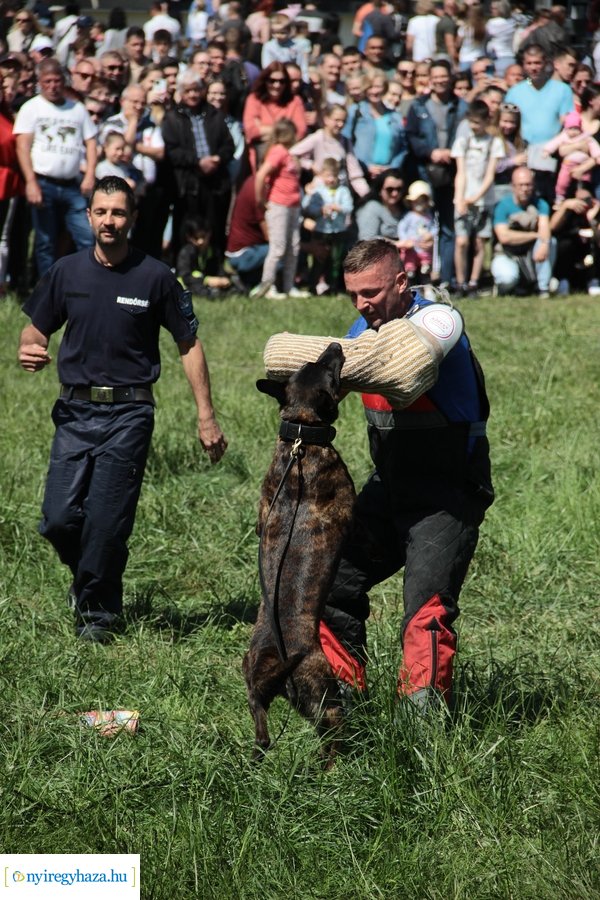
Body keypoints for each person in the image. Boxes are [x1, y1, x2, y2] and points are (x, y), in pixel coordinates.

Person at [262, 238, 493, 711]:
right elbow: (307, 382)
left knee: (425, 609)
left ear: (402, 282)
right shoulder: (361, 329)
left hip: (446, 495)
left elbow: (401, 371)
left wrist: (338, 355)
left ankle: (420, 728)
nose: (361, 305)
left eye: (370, 292)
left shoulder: (439, 319)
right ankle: (345, 698)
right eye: (353, 295)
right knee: (331, 584)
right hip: (388, 489)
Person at [17, 176, 227, 643]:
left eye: (118, 212)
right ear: (88, 216)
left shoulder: (155, 276)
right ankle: (94, 577)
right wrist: (28, 349)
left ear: (132, 219)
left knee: (107, 522)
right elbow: (35, 331)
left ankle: (98, 615)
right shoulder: (66, 272)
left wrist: (205, 415)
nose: (109, 220)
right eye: (101, 211)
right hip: (73, 412)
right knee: (58, 520)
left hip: (130, 414)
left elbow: (188, 344)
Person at [14, 57, 97, 278]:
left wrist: (89, 174)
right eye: (48, 81)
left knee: (86, 236)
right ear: (40, 82)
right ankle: (47, 290)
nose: (53, 86)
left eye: (57, 81)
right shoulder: (31, 108)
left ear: (64, 81)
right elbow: (22, 146)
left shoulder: (77, 109)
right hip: (43, 182)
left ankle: (88, 283)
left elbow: (91, 142)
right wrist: (30, 182)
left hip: (72, 185)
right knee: (45, 241)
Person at [251, 118, 309, 300]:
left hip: (293, 205)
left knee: (293, 246)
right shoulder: (278, 151)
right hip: (279, 205)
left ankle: (289, 285)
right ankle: (268, 286)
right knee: (278, 248)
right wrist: (260, 200)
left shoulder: (289, 153)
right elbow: (261, 175)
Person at [451, 100, 505, 296]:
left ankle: (474, 282)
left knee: (480, 242)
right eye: (471, 122)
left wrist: (476, 197)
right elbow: (460, 172)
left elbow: (490, 175)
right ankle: (459, 282)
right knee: (461, 242)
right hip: (464, 199)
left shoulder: (494, 143)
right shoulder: (463, 142)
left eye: (477, 122)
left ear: (486, 121)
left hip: (484, 200)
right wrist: (460, 198)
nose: (474, 126)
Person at [492, 166, 557, 297]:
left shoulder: (540, 204)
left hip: (530, 255)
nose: (525, 189)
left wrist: (544, 243)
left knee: (551, 241)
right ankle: (504, 287)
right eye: (521, 185)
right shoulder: (503, 206)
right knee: (508, 279)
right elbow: (504, 237)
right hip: (507, 254)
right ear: (513, 186)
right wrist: (535, 235)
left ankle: (542, 288)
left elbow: (545, 229)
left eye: (528, 185)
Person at [301, 157, 354, 294]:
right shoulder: (318, 191)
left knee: (336, 261)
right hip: (322, 230)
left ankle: (333, 287)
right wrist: (320, 210)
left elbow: (349, 207)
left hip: (338, 231)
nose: (331, 179)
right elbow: (308, 208)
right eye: (328, 176)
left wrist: (339, 208)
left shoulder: (343, 191)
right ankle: (313, 286)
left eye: (334, 176)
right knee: (319, 259)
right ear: (322, 175)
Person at [543, 111, 600, 204]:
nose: (573, 132)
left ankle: (588, 201)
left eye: (576, 129)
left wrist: (597, 156)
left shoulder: (585, 136)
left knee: (585, 185)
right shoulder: (564, 137)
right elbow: (555, 144)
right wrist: (547, 150)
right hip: (568, 164)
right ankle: (560, 196)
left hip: (584, 165)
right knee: (563, 181)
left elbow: (594, 145)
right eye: (571, 129)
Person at [176, 215, 233, 296]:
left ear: (209, 233)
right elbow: (185, 276)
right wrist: (207, 280)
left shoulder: (214, 251)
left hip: (209, 284)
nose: (200, 241)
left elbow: (219, 270)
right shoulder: (186, 252)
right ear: (188, 237)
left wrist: (222, 279)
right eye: (196, 238)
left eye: (203, 236)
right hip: (190, 284)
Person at [396, 179, 437, 281]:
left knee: (426, 256)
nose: (419, 204)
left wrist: (431, 235)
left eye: (422, 201)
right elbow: (402, 228)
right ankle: (410, 269)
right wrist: (405, 240)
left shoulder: (429, 216)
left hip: (424, 245)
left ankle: (426, 266)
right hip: (412, 246)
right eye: (416, 201)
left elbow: (434, 227)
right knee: (409, 258)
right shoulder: (409, 216)